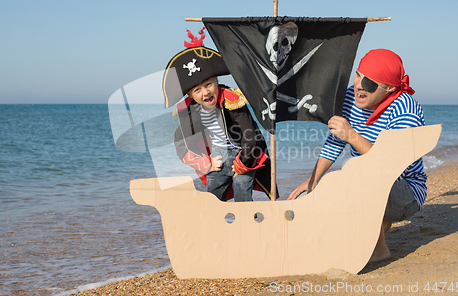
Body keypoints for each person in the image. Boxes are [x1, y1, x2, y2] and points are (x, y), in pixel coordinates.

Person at [287, 49, 426, 262]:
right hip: (368, 182)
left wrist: (351, 135)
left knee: (359, 171)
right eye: (358, 75)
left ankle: (379, 249)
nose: (360, 85)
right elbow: (335, 141)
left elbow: (390, 165)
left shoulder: (405, 110)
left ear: (389, 88)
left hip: (406, 191)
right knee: (314, 196)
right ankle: (377, 223)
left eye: (370, 82)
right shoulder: (351, 96)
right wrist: (313, 179)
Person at [162, 30, 274, 202]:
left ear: (216, 80)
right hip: (217, 155)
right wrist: (206, 164)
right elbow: (181, 142)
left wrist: (242, 163)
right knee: (211, 200)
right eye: (197, 90)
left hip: (243, 153)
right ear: (190, 95)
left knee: (242, 194)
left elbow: (250, 136)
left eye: (208, 84)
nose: (206, 92)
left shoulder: (232, 101)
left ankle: (249, 226)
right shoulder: (189, 112)